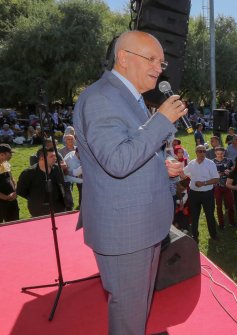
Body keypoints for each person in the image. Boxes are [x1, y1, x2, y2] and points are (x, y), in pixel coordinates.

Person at [72, 31, 186, 335]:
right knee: (128, 312)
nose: (159, 67)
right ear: (123, 58)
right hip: (125, 230)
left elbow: (130, 148)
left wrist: (161, 168)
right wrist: (161, 120)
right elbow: (118, 161)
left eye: (161, 62)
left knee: (138, 307)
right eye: (151, 59)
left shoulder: (129, 97)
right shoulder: (101, 98)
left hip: (141, 225)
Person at [182, 145, 219, 242]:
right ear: (196, 152)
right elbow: (184, 173)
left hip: (207, 193)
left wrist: (204, 183)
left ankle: (213, 235)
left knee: (210, 215)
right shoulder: (191, 163)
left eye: (204, 151)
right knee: (194, 215)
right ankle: (194, 235)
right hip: (194, 193)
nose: (202, 153)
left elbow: (216, 179)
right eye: (200, 151)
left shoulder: (210, 163)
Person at [16, 147, 68, 217]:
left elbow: (61, 185)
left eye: (55, 156)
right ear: (42, 158)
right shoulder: (28, 173)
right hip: (39, 209)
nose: (55, 158)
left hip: (58, 207)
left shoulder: (57, 169)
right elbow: (20, 191)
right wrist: (35, 198)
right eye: (51, 156)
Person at [0, 144, 18, 222]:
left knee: (14, 224)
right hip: (1, 202)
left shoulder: (6, 163)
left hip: (12, 200)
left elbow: (11, 178)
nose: (11, 155)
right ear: (1, 154)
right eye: (9, 154)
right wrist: (6, 197)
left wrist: (15, 192)